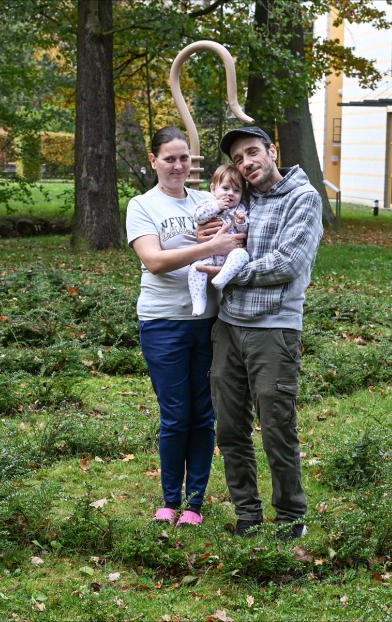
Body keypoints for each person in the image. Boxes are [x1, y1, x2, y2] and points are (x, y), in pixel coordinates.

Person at [195, 126, 324, 539]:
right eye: (238, 159)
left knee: (276, 426)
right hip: (229, 328)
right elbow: (215, 222)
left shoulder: (304, 199)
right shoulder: (243, 196)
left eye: (252, 153)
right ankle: (247, 514)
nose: (246, 163)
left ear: (272, 151)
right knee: (230, 428)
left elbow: (288, 264)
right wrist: (204, 239)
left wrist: (230, 273)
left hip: (274, 329)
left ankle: (291, 517)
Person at [125, 126, 246, 527]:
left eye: (184, 158)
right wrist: (211, 247)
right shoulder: (142, 206)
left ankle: (194, 503)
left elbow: (241, 214)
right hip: (163, 323)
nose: (177, 165)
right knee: (175, 414)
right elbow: (155, 261)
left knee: (203, 415)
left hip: (208, 323)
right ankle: (169, 499)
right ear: (154, 160)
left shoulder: (206, 199)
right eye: (169, 158)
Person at [188, 165, 250, 316]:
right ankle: (198, 301)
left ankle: (222, 278)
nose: (230, 193)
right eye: (225, 188)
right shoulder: (207, 205)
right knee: (195, 269)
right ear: (213, 189)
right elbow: (199, 217)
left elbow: (244, 231)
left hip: (230, 257)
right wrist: (217, 206)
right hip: (210, 257)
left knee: (242, 255)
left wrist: (241, 222)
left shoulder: (240, 210)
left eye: (236, 190)